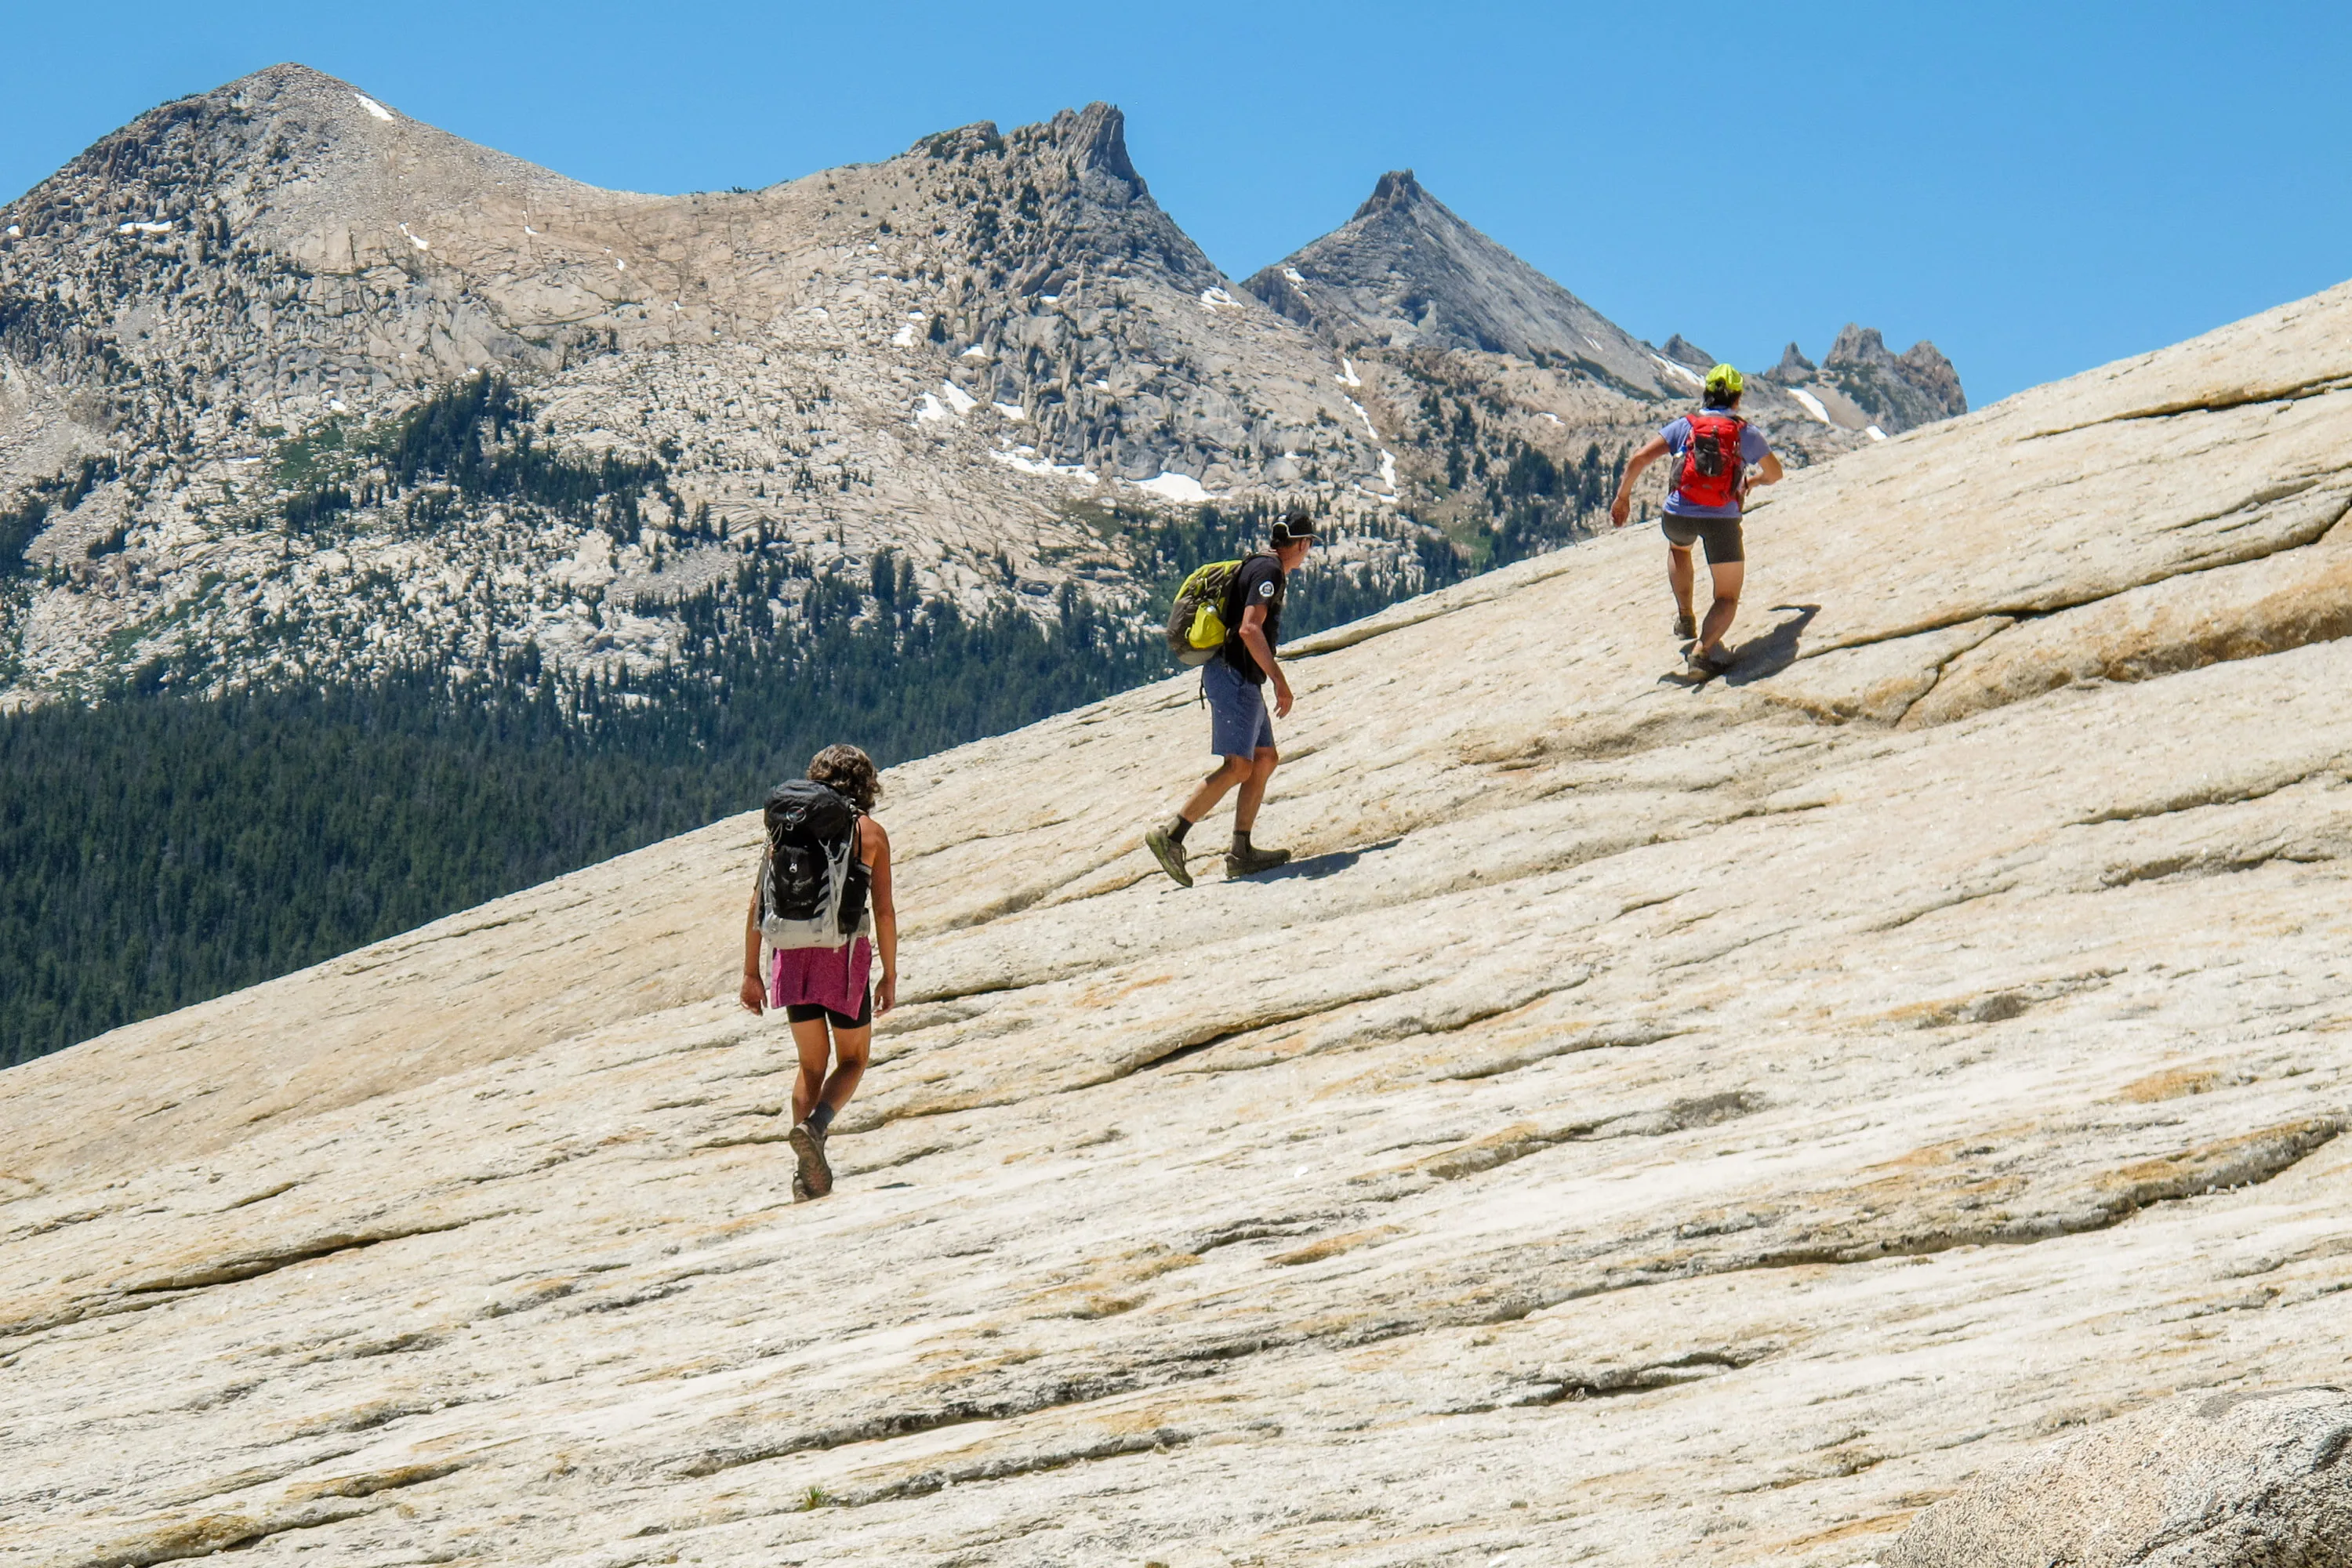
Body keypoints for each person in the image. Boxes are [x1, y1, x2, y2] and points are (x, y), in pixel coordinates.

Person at [738, 743, 897, 1201]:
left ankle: (803, 1177)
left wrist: (752, 973)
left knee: (810, 1064)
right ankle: (815, 1128)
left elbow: (758, 901)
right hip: (842, 957)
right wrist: (889, 974)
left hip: (789, 954)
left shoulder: (786, 827)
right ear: (866, 784)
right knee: (853, 1059)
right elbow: (883, 911)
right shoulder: (869, 832)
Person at [1144, 514, 1316, 886]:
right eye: (1310, 545)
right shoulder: (1269, 572)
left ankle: (1242, 851)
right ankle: (1170, 836)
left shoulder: (1259, 564)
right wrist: (1280, 681)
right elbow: (1249, 628)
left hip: (1238, 677)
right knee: (1239, 766)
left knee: (1265, 759)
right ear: (1302, 544)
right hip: (1234, 676)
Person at [1610, 363, 1784, 675]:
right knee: (1727, 596)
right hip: (1723, 520)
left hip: (1679, 514)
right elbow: (1775, 474)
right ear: (1737, 398)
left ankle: (1685, 615)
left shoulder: (1685, 426)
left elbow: (1639, 459)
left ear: (1706, 393)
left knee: (1679, 549)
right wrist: (1752, 482)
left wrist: (1623, 498)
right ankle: (1702, 653)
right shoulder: (1746, 433)